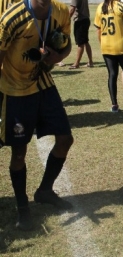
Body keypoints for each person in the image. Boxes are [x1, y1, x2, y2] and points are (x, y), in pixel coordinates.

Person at [0, 0, 74, 230]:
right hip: (15, 90)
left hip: (43, 84)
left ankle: (44, 190)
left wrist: (57, 57)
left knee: (65, 139)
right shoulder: (12, 18)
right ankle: (23, 209)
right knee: (19, 152)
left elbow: (67, 44)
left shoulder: (61, 11)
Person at [94, 0, 123, 112]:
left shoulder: (100, 7)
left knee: (112, 75)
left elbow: (98, 30)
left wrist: (103, 43)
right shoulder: (121, 6)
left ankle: (114, 105)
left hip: (106, 47)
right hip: (122, 46)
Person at [69, 0, 94, 69]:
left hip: (80, 21)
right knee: (85, 41)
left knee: (80, 43)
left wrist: (67, 19)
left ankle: (77, 63)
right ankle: (90, 62)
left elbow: (72, 9)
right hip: (86, 20)